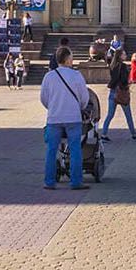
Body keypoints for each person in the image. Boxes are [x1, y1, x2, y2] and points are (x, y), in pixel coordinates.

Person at [40, 46, 91, 190]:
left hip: (54, 118)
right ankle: (75, 181)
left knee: (51, 150)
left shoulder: (49, 76)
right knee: (75, 149)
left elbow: (43, 98)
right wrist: (79, 107)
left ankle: (49, 182)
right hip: (73, 118)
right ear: (68, 59)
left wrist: (53, 108)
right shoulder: (76, 75)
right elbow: (84, 98)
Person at [101, 49, 136, 141]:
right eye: (124, 54)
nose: (125, 55)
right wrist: (128, 83)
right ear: (120, 56)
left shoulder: (112, 65)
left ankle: (103, 134)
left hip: (113, 91)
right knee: (128, 114)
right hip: (121, 91)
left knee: (110, 115)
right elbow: (123, 80)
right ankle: (133, 133)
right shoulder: (122, 66)